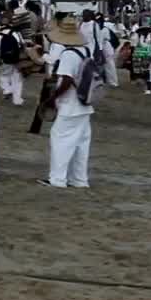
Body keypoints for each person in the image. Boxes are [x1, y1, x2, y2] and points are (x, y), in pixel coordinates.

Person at [39, 17, 95, 188]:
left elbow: (66, 81)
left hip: (70, 104)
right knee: (80, 144)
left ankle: (57, 179)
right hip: (85, 104)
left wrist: (52, 98)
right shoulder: (85, 51)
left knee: (60, 140)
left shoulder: (68, 55)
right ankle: (79, 179)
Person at [79, 9, 118, 87]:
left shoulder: (94, 24)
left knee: (97, 66)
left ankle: (105, 81)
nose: (84, 16)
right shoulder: (81, 24)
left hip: (93, 49)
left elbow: (98, 38)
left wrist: (99, 51)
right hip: (83, 49)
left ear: (89, 16)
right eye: (83, 15)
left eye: (85, 15)